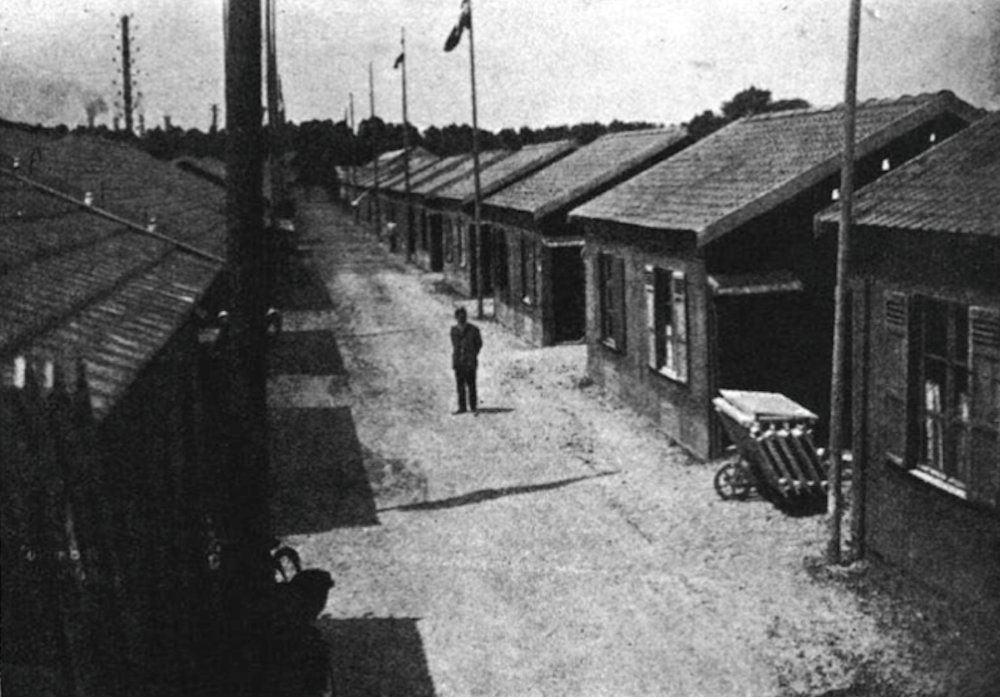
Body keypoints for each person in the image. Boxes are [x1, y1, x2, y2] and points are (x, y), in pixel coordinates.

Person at [450, 307, 482, 414]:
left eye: (463, 317)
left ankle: (473, 406)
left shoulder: (474, 330)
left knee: (471, 385)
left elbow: (479, 344)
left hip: (470, 361)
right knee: (460, 386)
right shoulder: (454, 331)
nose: (461, 319)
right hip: (459, 361)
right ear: (456, 318)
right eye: (459, 317)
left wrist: (472, 354)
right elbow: (455, 345)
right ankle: (462, 407)